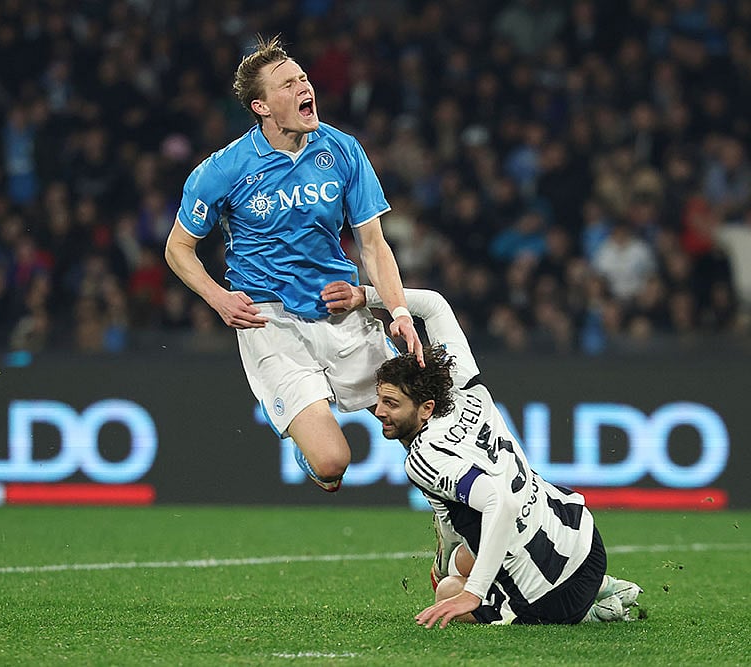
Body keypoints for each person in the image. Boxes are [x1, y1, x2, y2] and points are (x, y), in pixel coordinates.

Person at [165, 35, 420, 492]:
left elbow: (374, 244)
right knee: (333, 464)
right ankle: (312, 450)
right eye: (288, 84)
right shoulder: (223, 169)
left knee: (421, 429)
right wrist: (218, 298)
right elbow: (177, 248)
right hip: (271, 324)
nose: (305, 86)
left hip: (341, 310)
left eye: (303, 77)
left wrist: (397, 310)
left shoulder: (342, 150)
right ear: (261, 106)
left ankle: (457, 537)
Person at [321, 281, 643, 626]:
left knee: (448, 590)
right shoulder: (461, 380)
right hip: (586, 545)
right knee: (460, 557)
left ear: (426, 407)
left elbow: (500, 503)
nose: (379, 412)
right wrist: (365, 296)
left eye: (391, 404)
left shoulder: (425, 458)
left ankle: (591, 614)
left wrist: (472, 593)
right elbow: (434, 304)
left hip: (549, 598)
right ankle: (605, 587)